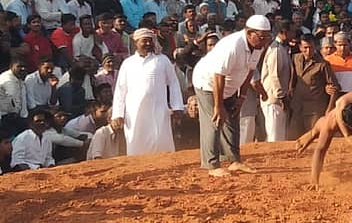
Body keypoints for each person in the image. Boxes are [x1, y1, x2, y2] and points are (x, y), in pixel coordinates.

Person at [192, 15, 272, 177]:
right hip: (208, 83)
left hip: (229, 86)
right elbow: (218, 75)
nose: (265, 41)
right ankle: (211, 164)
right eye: (261, 37)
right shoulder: (233, 45)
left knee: (232, 119)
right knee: (214, 120)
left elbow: (249, 71)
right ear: (249, 33)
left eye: (267, 37)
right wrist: (218, 105)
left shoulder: (258, 46)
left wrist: (241, 97)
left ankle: (234, 161)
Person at [110, 28, 184, 156]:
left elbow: (173, 83)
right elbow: (120, 90)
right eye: (144, 41)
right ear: (136, 43)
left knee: (161, 143)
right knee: (135, 143)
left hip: (158, 110)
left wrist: (177, 106)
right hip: (134, 112)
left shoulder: (162, 60)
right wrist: (118, 114)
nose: (148, 44)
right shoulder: (128, 63)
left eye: (150, 41)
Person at [289, 35, 338, 139]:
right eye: (305, 47)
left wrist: (329, 109)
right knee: (293, 137)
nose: (308, 50)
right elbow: (293, 79)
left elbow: (334, 88)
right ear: (300, 47)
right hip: (297, 105)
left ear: (315, 47)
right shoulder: (295, 58)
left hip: (315, 108)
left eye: (311, 47)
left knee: (314, 137)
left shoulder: (323, 64)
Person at [260, 20, 295, 142]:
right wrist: (282, 97)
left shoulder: (282, 48)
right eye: (291, 31)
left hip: (279, 99)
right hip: (274, 99)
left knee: (279, 135)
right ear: (284, 32)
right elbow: (274, 76)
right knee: (274, 137)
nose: (293, 34)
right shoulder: (275, 50)